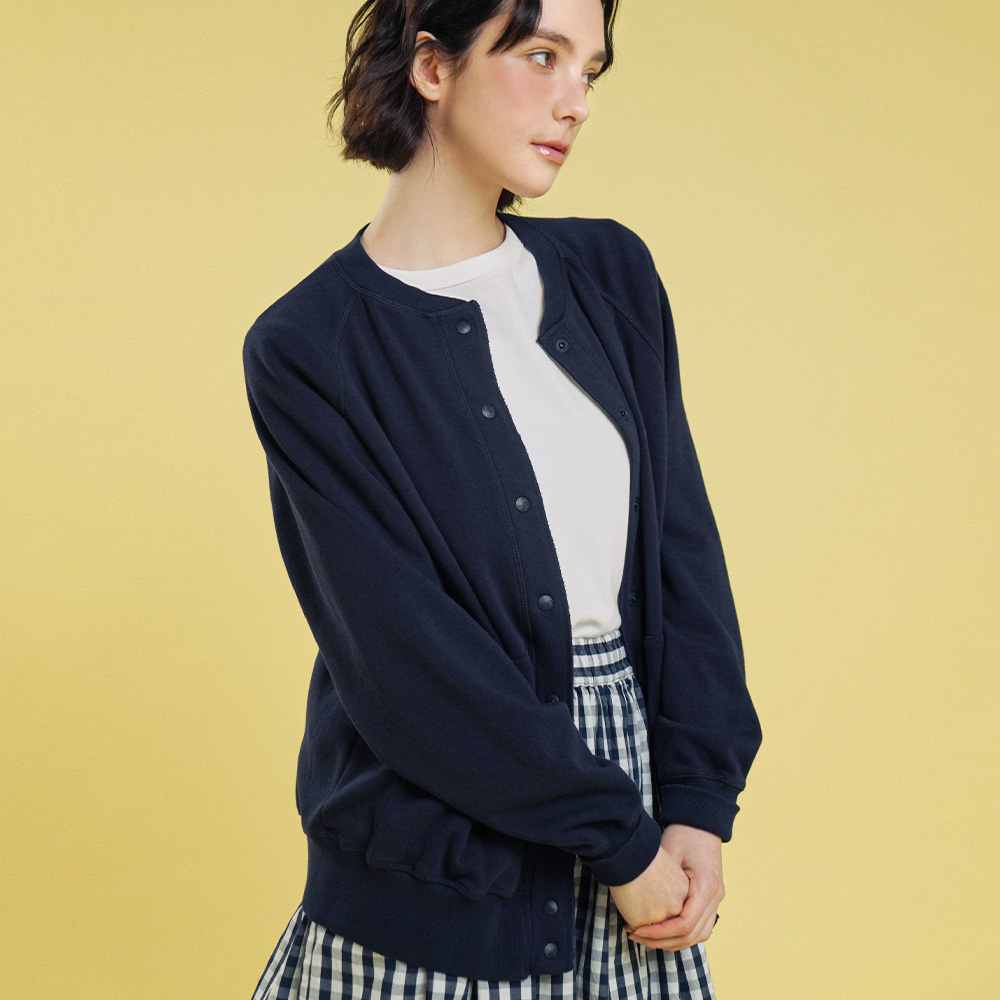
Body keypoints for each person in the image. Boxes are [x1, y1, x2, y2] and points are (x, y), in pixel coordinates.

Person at [241, 0, 762, 996]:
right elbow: (406, 660)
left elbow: (680, 550)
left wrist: (698, 801)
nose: (577, 102)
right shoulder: (309, 347)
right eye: (541, 56)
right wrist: (621, 843)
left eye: (590, 71)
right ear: (433, 68)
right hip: (441, 854)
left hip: (643, 820)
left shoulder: (611, 274)